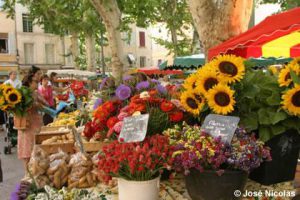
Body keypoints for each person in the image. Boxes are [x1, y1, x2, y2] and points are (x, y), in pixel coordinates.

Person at [18, 74, 45, 179]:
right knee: (27, 151)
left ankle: (35, 173)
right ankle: (28, 174)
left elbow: (43, 103)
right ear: (29, 82)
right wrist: (34, 105)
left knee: (36, 149)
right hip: (27, 125)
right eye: (35, 81)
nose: (37, 83)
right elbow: (23, 108)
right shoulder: (22, 94)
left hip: (35, 123)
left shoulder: (34, 93)